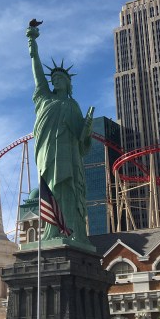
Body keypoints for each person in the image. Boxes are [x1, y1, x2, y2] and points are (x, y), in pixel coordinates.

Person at [26, 22, 94, 243]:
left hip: (68, 155)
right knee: (51, 187)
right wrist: (32, 44)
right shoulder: (44, 98)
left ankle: (70, 229)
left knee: (67, 189)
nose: (54, 81)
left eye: (59, 79)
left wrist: (87, 129)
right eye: (52, 79)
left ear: (67, 82)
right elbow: (37, 73)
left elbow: (81, 139)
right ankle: (51, 231)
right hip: (48, 151)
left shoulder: (73, 106)